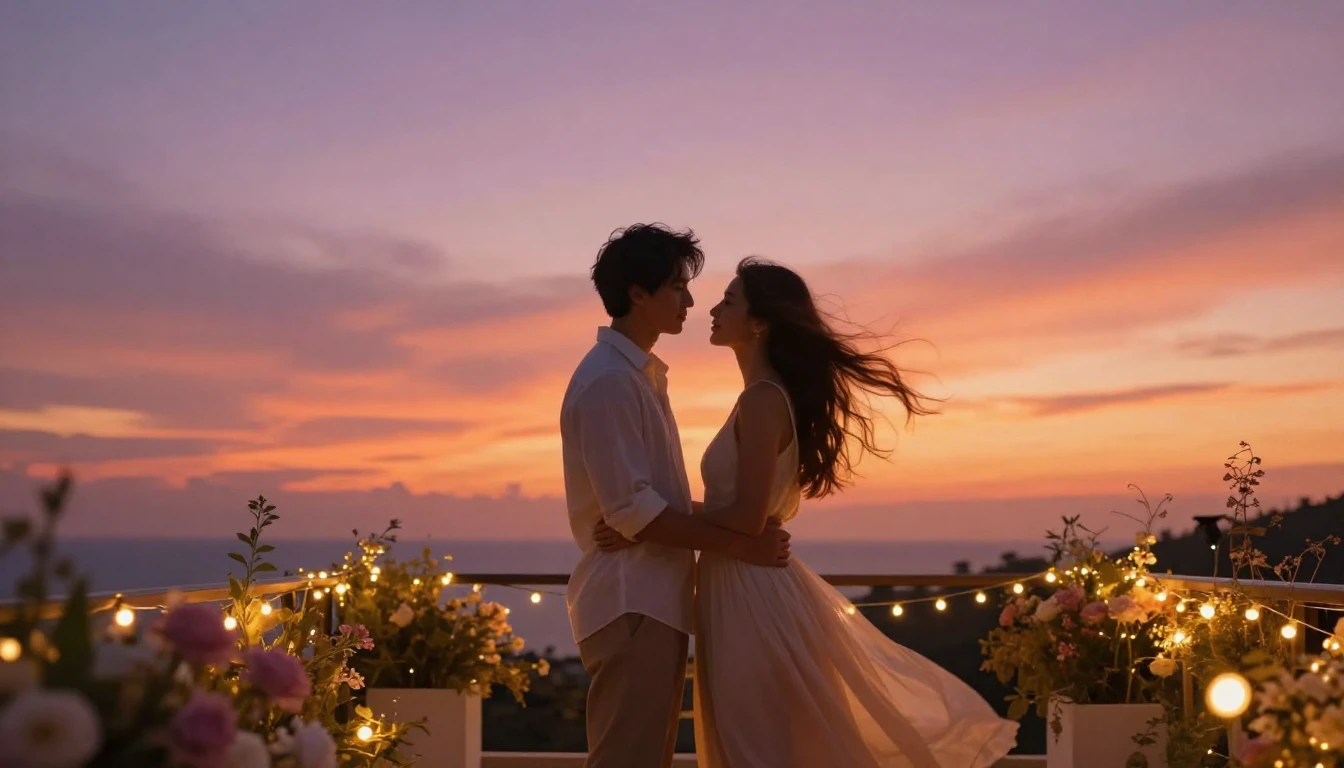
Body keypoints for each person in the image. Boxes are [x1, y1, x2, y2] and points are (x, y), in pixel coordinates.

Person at [597, 257, 1019, 767]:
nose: (710, 308)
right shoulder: (760, 398)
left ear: (759, 321)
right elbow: (740, 512)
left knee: (754, 744)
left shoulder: (761, 401)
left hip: (747, 588)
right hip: (738, 580)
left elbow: (748, 518)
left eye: (729, 300)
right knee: (754, 739)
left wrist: (643, 523)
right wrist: (645, 518)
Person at [560, 226, 793, 768]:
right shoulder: (611, 382)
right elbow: (633, 511)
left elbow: (641, 505)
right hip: (631, 598)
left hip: (653, 597)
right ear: (637, 293)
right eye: (675, 286)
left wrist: (636, 517)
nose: (690, 300)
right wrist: (742, 544)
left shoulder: (640, 377)